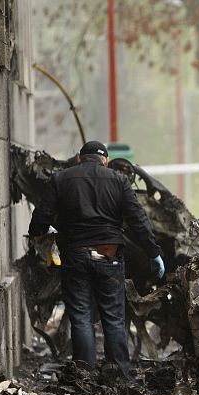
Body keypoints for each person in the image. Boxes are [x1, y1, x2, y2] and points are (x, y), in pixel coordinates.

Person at [29, 141, 165, 378]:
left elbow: (40, 218)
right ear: (105, 159)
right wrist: (153, 253)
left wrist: (39, 234)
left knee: (80, 315)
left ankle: (85, 372)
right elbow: (139, 221)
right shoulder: (120, 180)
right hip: (109, 255)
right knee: (113, 315)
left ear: (80, 158)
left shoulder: (61, 179)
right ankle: (119, 373)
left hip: (75, 256)